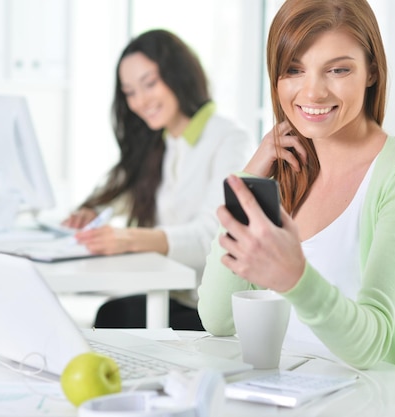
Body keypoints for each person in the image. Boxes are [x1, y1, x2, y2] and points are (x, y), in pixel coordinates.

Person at [196, 0, 395, 415]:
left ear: (372, 73)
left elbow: (371, 344)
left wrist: (295, 277)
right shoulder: (284, 173)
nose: (312, 91)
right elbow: (219, 319)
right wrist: (250, 180)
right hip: (309, 402)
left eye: (338, 69)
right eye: (294, 69)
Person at [63, 29, 254, 330]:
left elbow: (213, 236)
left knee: (112, 319)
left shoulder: (230, 139)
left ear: (178, 75)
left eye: (149, 84)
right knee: (111, 315)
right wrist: (93, 214)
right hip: (168, 295)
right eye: (129, 92)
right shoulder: (160, 141)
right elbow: (114, 195)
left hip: (211, 311)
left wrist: (128, 239)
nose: (140, 101)